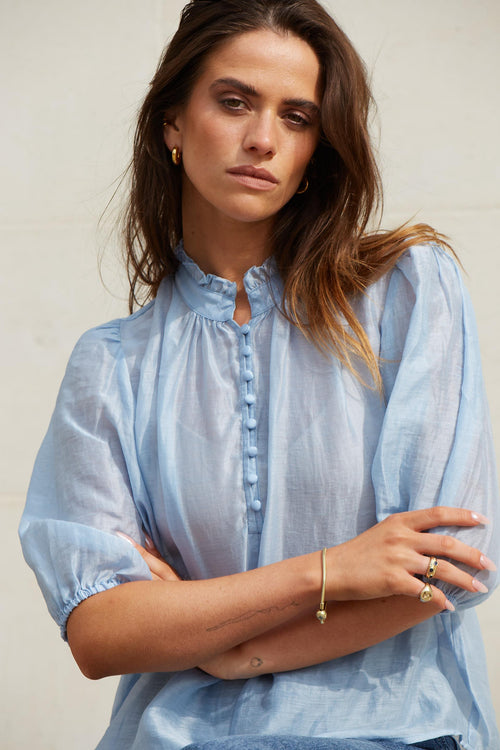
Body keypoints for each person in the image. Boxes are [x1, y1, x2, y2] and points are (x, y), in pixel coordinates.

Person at [19, 1, 499, 749]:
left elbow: (447, 569)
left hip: (399, 732)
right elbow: (101, 631)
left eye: (297, 117)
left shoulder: (407, 293)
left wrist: (223, 644)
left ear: (318, 148)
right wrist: (331, 571)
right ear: (173, 123)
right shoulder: (111, 366)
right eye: (235, 101)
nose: (263, 140)